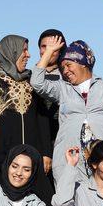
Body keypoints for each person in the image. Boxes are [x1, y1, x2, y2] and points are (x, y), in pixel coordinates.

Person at [30, 31, 103, 186]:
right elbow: (37, 81)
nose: (65, 71)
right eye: (62, 67)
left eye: (68, 65)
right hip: (70, 163)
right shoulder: (62, 89)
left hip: (102, 164)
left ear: (83, 63)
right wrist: (50, 51)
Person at [0, 34, 60, 206]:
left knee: (45, 199)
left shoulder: (31, 81)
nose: (28, 55)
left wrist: (46, 152)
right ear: (11, 52)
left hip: (33, 151)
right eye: (24, 50)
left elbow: (42, 117)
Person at [36, 29, 67, 174]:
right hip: (37, 142)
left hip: (63, 140)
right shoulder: (29, 76)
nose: (49, 50)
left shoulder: (69, 77)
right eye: (44, 47)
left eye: (54, 46)